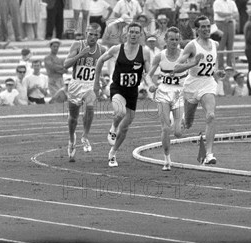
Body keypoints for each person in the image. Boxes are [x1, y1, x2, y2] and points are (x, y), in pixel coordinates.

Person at [93, 22, 152, 168]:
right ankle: (113, 127)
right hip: (118, 88)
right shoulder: (116, 49)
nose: (133, 35)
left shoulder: (144, 52)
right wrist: (97, 82)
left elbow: (148, 73)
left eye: (136, 32)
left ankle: (112, 153)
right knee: (120, 112)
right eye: (131, 32)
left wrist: (151, 84)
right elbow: (100, 61)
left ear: (140, 35)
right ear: (126, 34)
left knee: (125, 127)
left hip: (132, 91)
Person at [171, 16, 224, 165]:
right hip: (192, 85)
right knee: (187, 124)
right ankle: (180, 119)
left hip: (207, 84)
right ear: (197, 30)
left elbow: (214, 68)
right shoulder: (191, 46)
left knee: (211, 115)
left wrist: (218, 73)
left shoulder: (215, 44)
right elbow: (176, 68)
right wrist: (193, 62)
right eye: (203, 27)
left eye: (208, 26)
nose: (206, 29)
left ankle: (209, 154)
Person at [63, 24, 106, 161]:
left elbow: (98, 68)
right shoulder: (77, 45)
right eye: (90, 34)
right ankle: (71, 140)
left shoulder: (102, 49)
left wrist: (99, 81)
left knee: (90, 106)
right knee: (73, 118)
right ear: (86, 33)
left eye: (96, 35)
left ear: (99, 36)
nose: (93, 37)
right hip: (76, 84)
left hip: (89, 85)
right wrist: (80, 55)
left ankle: (85, 136)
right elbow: (66, 64)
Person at [147, 27, 186, 171]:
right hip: (163, 92)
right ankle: (167, 158)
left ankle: (180, 121)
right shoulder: (160, 56)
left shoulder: (184, 55)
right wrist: (151, 84)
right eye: (171, 39)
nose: (174, 42)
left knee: (177, 132)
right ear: (166, 40)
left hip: (179, 93)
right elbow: (148, 75)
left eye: (177, 39)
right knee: (165, 128)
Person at [213, 0, 238, 69]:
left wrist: (230, 17)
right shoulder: (217, 2)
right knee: (221, 45)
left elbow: (236, 14)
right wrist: (230, 14)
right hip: (220, 24)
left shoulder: (232, 2)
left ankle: (229, 65)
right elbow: (219, 13)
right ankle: (220, 66)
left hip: (230, 23)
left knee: (230, 45)